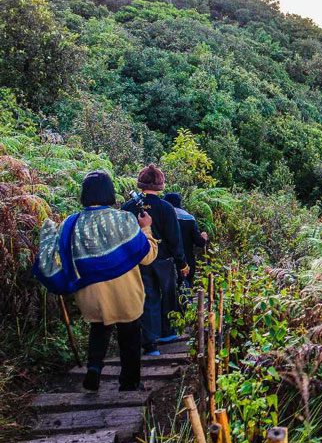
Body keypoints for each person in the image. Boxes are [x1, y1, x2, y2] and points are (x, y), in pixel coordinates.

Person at [35, 171, 158, 391]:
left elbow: (62, 257)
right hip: (125, 292)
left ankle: (94, 369)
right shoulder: (123, 219)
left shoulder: (71, 224)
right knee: (129, 334)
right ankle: (129, 382)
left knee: (99, 329)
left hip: (90, 294)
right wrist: (146, 227)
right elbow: (147, 256)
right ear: (110, 192)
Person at [122, 165, 188, 356]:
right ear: (159, 185)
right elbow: (175, 239)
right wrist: (181, 262)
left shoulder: (128, 207)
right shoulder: (166, 208)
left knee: (147, 297)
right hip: (164, 260)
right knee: (168, 294)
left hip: (139, 261)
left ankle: (150, 344)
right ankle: (167, 332)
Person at [163, 192, 208, 292]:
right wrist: (204, 238)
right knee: (186, 289)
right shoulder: (189, 218)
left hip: (166, 260)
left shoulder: (162, 217)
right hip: (187, 260)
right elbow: (199, 242)